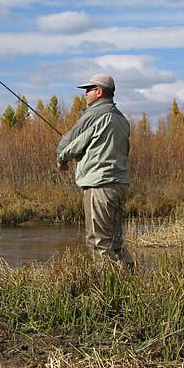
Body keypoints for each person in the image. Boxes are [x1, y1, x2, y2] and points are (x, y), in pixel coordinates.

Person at [56, 73, 135, 269]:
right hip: (119, 185)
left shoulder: (93, 115)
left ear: (99, 92)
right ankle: (131, 280)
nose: (85, 94)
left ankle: (107, 291)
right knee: (116, 242)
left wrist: (62, 160)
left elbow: (70, 144)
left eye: (88, 90)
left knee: (98, 243)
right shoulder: (122, 119)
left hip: (99, 186)